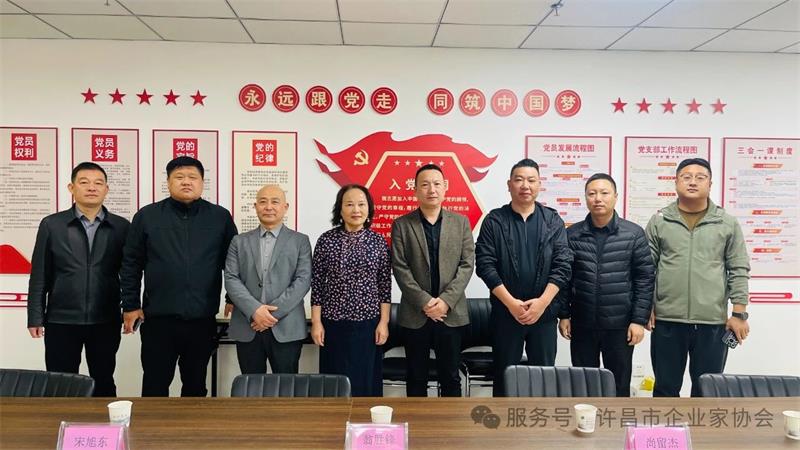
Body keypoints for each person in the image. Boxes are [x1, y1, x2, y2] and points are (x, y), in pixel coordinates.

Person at [120, 156, 237, 397]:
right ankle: (153, 424)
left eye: (192, 177)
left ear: (202, 182)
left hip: (201, 319)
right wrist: (130, 305)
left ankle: (192, 424)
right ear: (168, 182)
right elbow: (131, 264)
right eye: (179, 177)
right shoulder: (147, 216)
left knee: (195, 386)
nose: (186, 182)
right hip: (158, 320)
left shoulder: (220, 217)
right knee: (155, 384)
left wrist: (232, 297)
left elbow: (233, 262)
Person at [646, 157, 750, 397]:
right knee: (664, 389)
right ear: (676, 182)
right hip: (667, 320)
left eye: (700, 177)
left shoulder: (726, 223)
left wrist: (739, 314)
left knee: (708, 390)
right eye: (686, 177)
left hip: (712, 322)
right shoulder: (660, 220)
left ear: (710, 184)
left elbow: (738, 268)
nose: (693, 182)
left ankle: (703, 425)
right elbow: (646, 269)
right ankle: (666, 425)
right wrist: (646, 306)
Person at [27, 162, 129, 397]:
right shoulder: (52, 225)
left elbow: (129, 274)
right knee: (61, 383)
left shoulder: (121, 227)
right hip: (61, 319)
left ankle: (105, 422)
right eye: (84, 182)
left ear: (106, 189)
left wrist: (130, 308)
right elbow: (40, 274)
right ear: (71, 188)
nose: (92, 187)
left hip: (105, 318)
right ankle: (63, 421)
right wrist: (35, 316)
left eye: (98, 183)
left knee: (104, 380)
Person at [475, 158, 572, 397]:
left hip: (544, 315)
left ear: (539, 184)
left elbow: (563, 265)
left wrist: (542, 303)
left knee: (543, 378)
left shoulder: (552, 221)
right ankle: (502, 422)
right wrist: (511, 304)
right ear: (509, 184)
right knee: (504, 377)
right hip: (506, 314)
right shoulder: (495, 220)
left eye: (531, 180)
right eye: (519, 180)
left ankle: (539, 421)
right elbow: (485, 265)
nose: (525, 185)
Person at [557, 173, 655, 397]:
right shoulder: (572, 235)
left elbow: (645, 278)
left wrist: (638, 320)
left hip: (620, 326)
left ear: (615, 197)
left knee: (619, 386)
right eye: (592, 193)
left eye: (604, 193)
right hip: (582, 323)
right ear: (585, 198)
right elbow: (564, 279)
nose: (598, 198)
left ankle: (616, 421)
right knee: (583, 385)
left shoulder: (633, 234)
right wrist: (564, 315)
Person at [391, 164, 475, 397]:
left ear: (445, 187)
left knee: (450, 378)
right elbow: (400, 267)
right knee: (416, 377)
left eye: (437, 184)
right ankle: (417, 421)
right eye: (425, 184)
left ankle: (450, 422)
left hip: (451, 314)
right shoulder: (402, 224)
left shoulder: (461, 223)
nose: (431, 189)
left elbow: (467, 265)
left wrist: (445, 301)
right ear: (415, 190)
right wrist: (425, 302)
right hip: (415, 314)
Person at [310, 184, 391, 396]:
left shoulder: (378, 242)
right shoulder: (326, 240)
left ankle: (365, 418)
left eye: (361, 204)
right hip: (333, 323)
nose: (356, 210)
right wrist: (316, 322)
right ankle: (334, 418)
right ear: (340, 209)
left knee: (366, 380)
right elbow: (317, 284)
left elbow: (384, 286)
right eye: (349, 204)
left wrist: (383, 322)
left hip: (369, 324)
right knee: (334, 383)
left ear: (369, 209)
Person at [224, 185, 311, 375]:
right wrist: (255, 310)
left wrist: (270, 315)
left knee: (287, 386)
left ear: (285, 207)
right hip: (248, 325)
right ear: (255, 206)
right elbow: (231, 278)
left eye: (275, 202)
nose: (268, 207)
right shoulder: (238, 241)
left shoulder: (300, 241)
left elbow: (303, 280)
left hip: (286, 327)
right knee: (251, 386)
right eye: (263, 202)